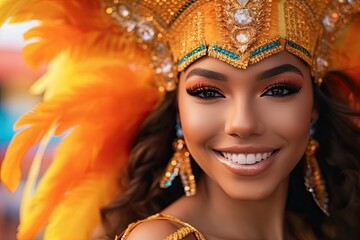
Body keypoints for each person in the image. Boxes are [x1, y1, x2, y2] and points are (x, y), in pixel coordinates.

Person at [0, 0, 359, 239]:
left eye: (278, 90)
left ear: (313, 106)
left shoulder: (313, 228)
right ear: (178, 113)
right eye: (207, 93)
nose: (243, 122)